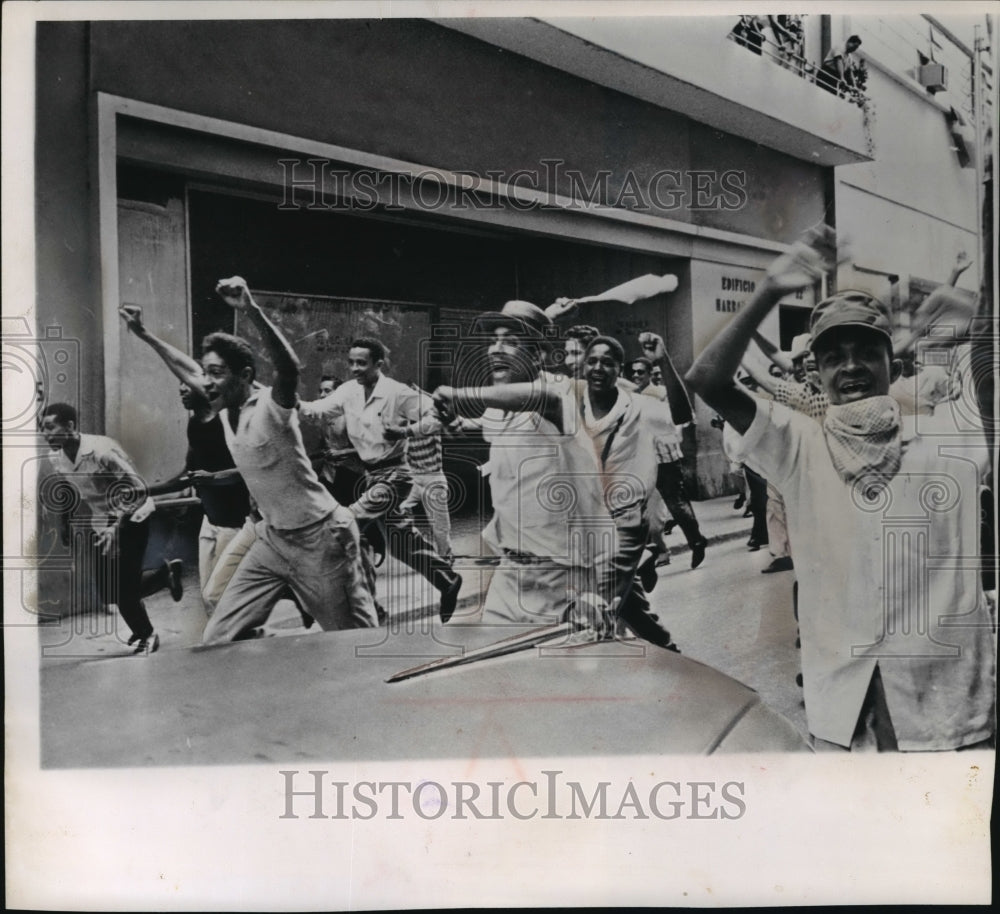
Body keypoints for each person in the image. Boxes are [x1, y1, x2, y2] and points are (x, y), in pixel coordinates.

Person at [686, 227, 995, 751]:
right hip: (844, 713)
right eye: (834, 357)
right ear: (819, 373)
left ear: (892, 365)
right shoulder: (798, 443)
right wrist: (770, 289)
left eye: (864, 353)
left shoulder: (951, 438)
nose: (850, 366)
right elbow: (708, 381)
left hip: (950, 713)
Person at [200, 277, 378, 643]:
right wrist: (142, 334)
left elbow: (288, 370)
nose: (206, 382)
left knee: (351, 641)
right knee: (219, 637)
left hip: (321, 537)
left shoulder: (270, 406)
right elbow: (184, 370)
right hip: (273, 539)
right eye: (204, 373)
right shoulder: (222, 404)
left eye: (216, 372)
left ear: (245, 376)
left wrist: (250, 309)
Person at [299, 338, 463, 622]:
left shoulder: (397, 393)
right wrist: (289, 402)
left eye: (361, 363)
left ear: (378, 364)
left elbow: (436, 417)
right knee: (402, 544)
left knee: (344, 524)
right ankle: (447, 580)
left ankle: (312, 601)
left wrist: (406, 432)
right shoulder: (349, 391)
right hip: (371, 475)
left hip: (397, 475)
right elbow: (320, 409)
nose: (354, 368)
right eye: (351, 362)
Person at [119, 307, 254, 612]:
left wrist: (144, 334)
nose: (186, 389)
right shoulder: (197, 422)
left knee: (224, 602)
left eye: (188, 386)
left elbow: (245, 473)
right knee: (213, 601)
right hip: (212, 522)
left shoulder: (223, 414)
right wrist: (146, 491)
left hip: (238, 525)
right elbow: (189, 475)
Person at [38, 403, 180, 654]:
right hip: (101, 521)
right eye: (42, 428)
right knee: (108, 592)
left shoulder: (102, 450)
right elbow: (67, 489)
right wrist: (63, 522)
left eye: (50, 427)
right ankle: (162, 575)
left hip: (133, 515)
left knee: (123, 587)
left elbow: (136, 488)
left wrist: (118, 526)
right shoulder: (56, 456)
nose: (46, 434)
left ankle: (146, 633)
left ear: (70, 426)